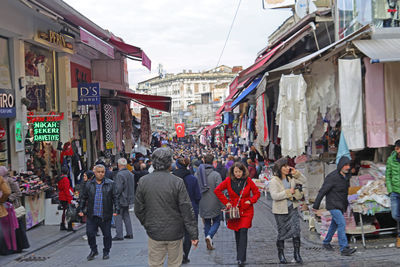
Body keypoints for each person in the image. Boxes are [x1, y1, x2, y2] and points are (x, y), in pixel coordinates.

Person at [134, 148, 199, 267]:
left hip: (154, 231)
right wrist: (193, 234)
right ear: (169, 163)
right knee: (174, 263)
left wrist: (147, 223)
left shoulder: (143, 181)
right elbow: (186, 209)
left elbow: (138, 208)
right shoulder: (177, 182)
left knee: (155, 263)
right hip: (175, 231)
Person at [214, 162, 260, 266]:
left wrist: (251, 201)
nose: (238, 174)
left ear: (243, 171)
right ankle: (240, 254)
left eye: (239, 171)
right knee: (237, 232)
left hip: (247, 210)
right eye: (236, 172)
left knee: (243, 231)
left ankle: (241, 258)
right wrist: (227, 202)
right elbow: (217, 190)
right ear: (232, 172)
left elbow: (257, 192)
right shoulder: (228, 181)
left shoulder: (248, 181)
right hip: (234, 211)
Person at [313, 156, 356, 256]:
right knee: (341, 224)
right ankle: (344, 248)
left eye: (348, 165)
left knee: (335, 224)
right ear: (340, 165)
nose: (347, 167)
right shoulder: (332, 177)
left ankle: (326, 242)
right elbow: (322, 191)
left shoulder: (346, 176)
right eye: (345, 165)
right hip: (333, 204)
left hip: (341, 204)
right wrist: (316, 205)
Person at [78, 164, 120, 261]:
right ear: (94, 172)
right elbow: (83, 198)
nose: (101, 174)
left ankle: (106, 251)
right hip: (92, 214)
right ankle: (93, 250)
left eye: (102, 172)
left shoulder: (110, 183)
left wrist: (116, 209)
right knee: (90, 233)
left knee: (107, 235)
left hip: (105, 214)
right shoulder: (89, 184)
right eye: (99, 172)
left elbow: (115, 197)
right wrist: (80, 209)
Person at [269, 158, 306, 264]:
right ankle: (281, 254)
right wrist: (288, 192)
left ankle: (297, 254)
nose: (287, 168)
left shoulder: (291, 178)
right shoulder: (274, 180)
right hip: (280, 211)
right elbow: (274, 196)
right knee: (282, 233)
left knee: (296, 231)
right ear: (279, 168)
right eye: (284, 166)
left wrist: (296, 173)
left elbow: (304, 181)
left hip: (292, 208)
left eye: (287, 166)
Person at [172, 157, 201, 264]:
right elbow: (198, 196)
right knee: (188, 233)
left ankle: (177, 254)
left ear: (177, 166)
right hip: (190, 208)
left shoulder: (172, 178)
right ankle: (185, 254)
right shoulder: (192, 179)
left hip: (175, 208)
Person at [195, 154, 224, 251]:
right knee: (217, 221)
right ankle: (210, 236)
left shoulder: (197, 174)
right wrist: (223, 203)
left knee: (206, 222)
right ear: (213, 162)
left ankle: (209, 238)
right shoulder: (216, 175)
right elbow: (220, 190)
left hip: (202, 202)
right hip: (214, 201)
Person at [1, 167, 30, 253]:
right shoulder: (2, 181)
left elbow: (18, 192)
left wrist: (9, 198)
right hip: (6, 208)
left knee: (17, 227)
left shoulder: (10, 180)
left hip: (13, 207)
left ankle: (19, 246)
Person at [113, 158, 135, 241]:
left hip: (121, 198)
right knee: (126, 215)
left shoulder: (120, 175)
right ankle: (129, 233)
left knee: (118, 216)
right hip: (129, 198)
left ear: (119, 165)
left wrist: (115, 196)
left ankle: (119, 234)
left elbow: (118, 188)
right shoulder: (130, 174)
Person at [386, 139, 400, 247]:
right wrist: (390, 190)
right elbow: (388, 176)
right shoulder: (391, 160)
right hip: (395, 192)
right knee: (395, 215)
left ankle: (399, 237)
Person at [58, 165, 73, 231]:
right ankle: (69, 226)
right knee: (69, 212)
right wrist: (69, 199)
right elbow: (66, 190)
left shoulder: (60, 178)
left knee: (64, 211)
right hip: (65, 197)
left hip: (61, 196)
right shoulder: (65, 179)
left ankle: (63, 224)